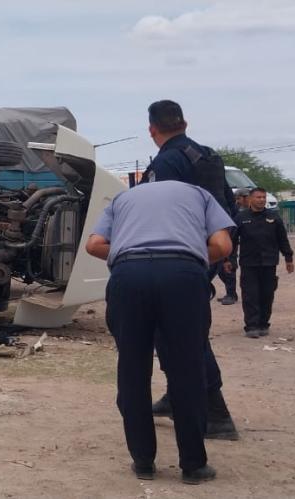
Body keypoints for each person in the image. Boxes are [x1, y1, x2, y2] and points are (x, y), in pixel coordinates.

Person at [86, 180, 233, 484]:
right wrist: (187, 256)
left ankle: (143, 462)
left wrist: (131, 253)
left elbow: (94, 244)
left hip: (128, 276)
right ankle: (193, 466)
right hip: (182, 276)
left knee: (132, 369)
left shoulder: (121, 199)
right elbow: (222, 246)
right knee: (187, 370)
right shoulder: (201, 195)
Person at [140, 100, 239, 440]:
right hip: (206, 250)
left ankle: (215, 412)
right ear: (185, 123)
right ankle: (177, 393)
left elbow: (158, 211)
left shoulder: (167, 161)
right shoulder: (207, 156)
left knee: (185, 334)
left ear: (152, 129)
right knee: (172, 330)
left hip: (178, 256)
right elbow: (224, 206)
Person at [228, 187, 294, 338]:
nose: (262, 200)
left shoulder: (274, 217)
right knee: (250, 295)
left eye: (263, 197)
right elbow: (232, 241)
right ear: (250, 199)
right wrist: (229, 259)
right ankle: (251, 326)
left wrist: (288, 258)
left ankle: (263, 324)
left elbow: (282, 239)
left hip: (269, 263)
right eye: (258, 197)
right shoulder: (241, 217)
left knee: (267, 295)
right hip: (249, 263)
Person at [216, 188, 251, 305]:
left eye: (239, 198)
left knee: (229, 267)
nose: (238, 201)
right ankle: (231, 292)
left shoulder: (252, 210)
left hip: (236, 241)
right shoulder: (234, 209)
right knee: (220, 268)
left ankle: (231, 294)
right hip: (228, 237)